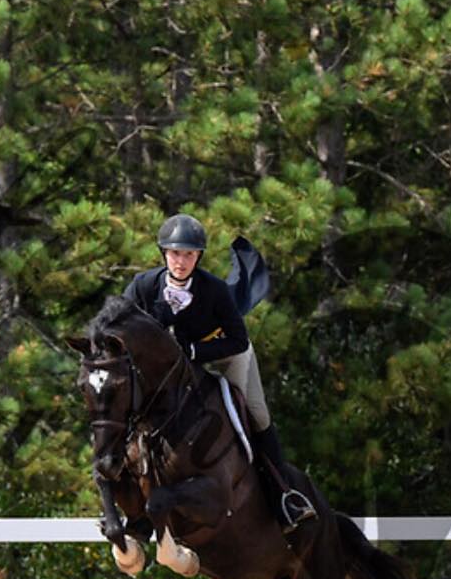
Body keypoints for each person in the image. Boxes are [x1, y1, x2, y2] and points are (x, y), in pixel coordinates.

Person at [123, 213, 316, 530]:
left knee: (256, 412)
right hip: (173, 364)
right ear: (164, 254)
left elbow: (238, 340)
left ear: (198, 256)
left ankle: (285, 495)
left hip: (222, 351)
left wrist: (195, 352)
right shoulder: (143, 285)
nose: (181, 261)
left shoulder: (214, 289)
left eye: (188, 254)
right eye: (175, 253)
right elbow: (121, 322)